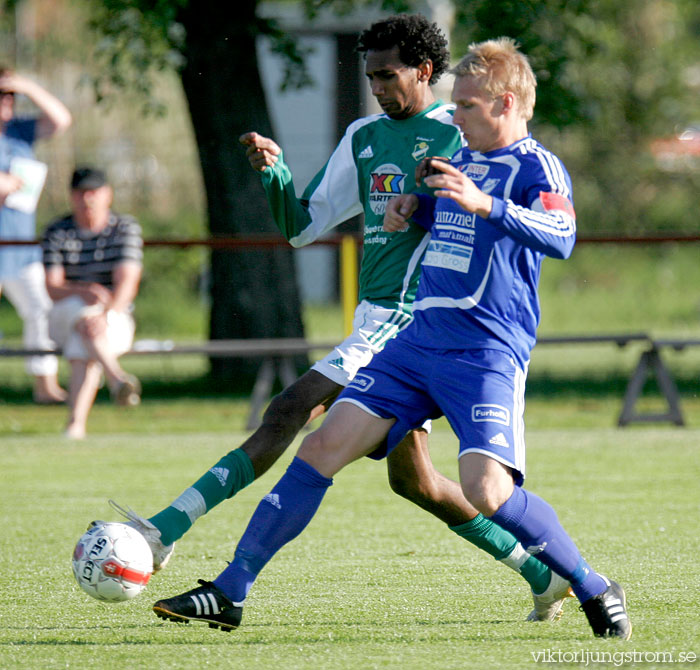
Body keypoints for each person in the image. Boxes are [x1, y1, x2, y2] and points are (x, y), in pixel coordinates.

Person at [150, 38, 631, 640]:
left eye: (467, 108)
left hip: (484, 351)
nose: (454, 117)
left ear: (506, 104)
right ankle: (230, 590)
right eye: (454, 106)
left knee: (487, 491)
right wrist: (414, 207)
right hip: (415, 344)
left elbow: (560, 235)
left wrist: (487, 205)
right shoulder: (468, 163)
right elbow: (448, 216)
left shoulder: (537, 166)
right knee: (321, 448)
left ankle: (589, 584)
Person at [41, 168, 143, 439]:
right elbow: (53, 288)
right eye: (81, 193)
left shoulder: (125, 228)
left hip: (113, 318)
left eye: (94, 192)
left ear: (107, 195)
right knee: (82, 315)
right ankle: (117, 378)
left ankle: (75, 425)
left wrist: (105, 313)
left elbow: (127, 285)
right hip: (65, 314)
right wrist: (84, 291)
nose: (88, 199)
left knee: (84, 338)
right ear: (72, 197)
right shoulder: (57, 231)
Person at [0, 67, 72, 403]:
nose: (6, 103)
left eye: (9, 96)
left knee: (40, 309)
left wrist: (27, 84)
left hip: (20, 249)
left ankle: (44, 386)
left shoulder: (18, 132)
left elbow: (61, 120)